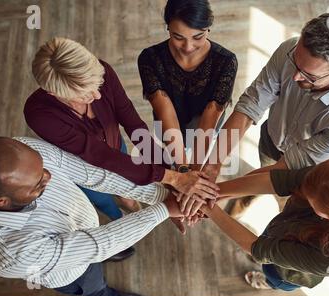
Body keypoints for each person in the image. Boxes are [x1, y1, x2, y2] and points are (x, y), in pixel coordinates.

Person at [25, 37, 219, 245]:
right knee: (102, 199)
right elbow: (99, 155)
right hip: (84, 169)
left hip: (116, 146)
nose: (98, 95)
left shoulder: (103, 71)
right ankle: (117, 218)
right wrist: (172, 180)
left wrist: (173, 178)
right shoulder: (40, 115)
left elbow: (134, 126)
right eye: (83, 95)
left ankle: (131, 205)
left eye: (97, 84)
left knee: (129, 190)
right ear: (53, 94)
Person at [0, 136, 185, 296]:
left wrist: (162, 196)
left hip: (89, 233)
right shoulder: (11, 254)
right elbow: (98, 244)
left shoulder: (24, 152)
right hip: (74, 273)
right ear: (0, 201)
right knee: (97, 288)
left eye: (43, 168)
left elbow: (95, 175)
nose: (48, 175)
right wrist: (164, 209)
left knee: (103, 247)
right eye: (37, 183)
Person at [202, 13, 329, 216]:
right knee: (262, 170)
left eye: (309, 76)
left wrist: (214, 193)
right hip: (272, 139)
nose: (295, 76)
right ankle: (247, 195)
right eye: (295, 62)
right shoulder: (289, 48)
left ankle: (262, 202)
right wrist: (211, 169)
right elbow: (250, 105)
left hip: (306, 170)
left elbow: (291, 165)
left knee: (286, 204)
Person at [199, 158, 329, 291]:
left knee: (273, 275)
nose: (302, 194)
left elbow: (258, 248)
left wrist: (210, 209)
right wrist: (213, 191)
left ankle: (267, 283)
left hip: (288, 273)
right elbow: (278, 182)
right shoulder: (328, 178)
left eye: (312, 202)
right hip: (283, 230)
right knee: (267, 248)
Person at [138, 0, 237, 173]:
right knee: (171, 154)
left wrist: (195, 172)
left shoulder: (226, 61)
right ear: (168, 27)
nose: (188, 47)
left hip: (206, 126)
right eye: (178, 37)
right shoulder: (149, 58)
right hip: (168, 124)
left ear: (208, 28)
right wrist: (183, 170)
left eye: (197, 37)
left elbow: (211, 115)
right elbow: (165, 110)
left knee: (200, 151)